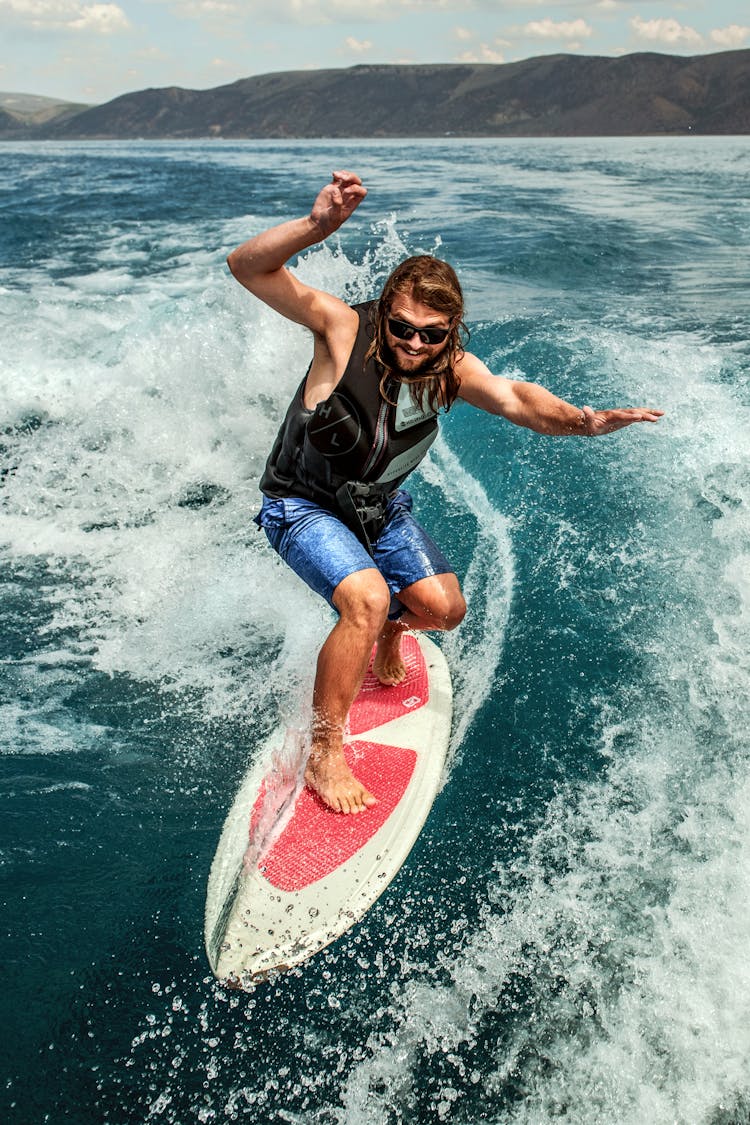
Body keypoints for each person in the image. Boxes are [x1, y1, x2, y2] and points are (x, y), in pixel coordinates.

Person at [227, 171, 663, 817]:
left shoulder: (451, 368)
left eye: (432, 333)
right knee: (367, 597)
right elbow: (247, 267)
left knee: (442, 611)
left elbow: (518, 399)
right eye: (403, 326)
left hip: (380, 507)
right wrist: (317, 227)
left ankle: (387, 634)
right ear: (386, 310)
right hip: (303, 503)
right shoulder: (342, 327)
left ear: (452, 330)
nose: (413, 343)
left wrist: (584, 420)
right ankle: (326, 750)